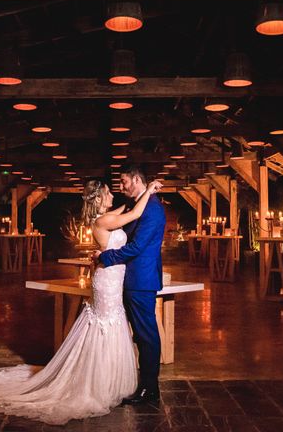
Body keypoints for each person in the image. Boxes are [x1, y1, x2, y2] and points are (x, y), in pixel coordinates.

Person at [0, 178, 162, 426]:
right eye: (109, 192)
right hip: (108, 281)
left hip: (111, 278)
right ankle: (98, 383)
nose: (114, 194)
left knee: (110, 325)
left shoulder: (105, 216)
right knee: (105, 325)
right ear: (99, 198)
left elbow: (126, 211)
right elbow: (133, 213)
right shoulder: (102, 221)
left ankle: (106, 380)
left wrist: (139, 196)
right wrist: (150, 190)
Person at [93, 163, 166, 405]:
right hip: (128, 279)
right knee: (136, 335)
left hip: (141, 280)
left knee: (146, 335)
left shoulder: (153, 210)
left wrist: (105, 257)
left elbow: (136, 247)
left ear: (135, 180)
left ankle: (150, 388)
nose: (121, 186)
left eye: (124, 181)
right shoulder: (139, 204)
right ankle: (136, 383)